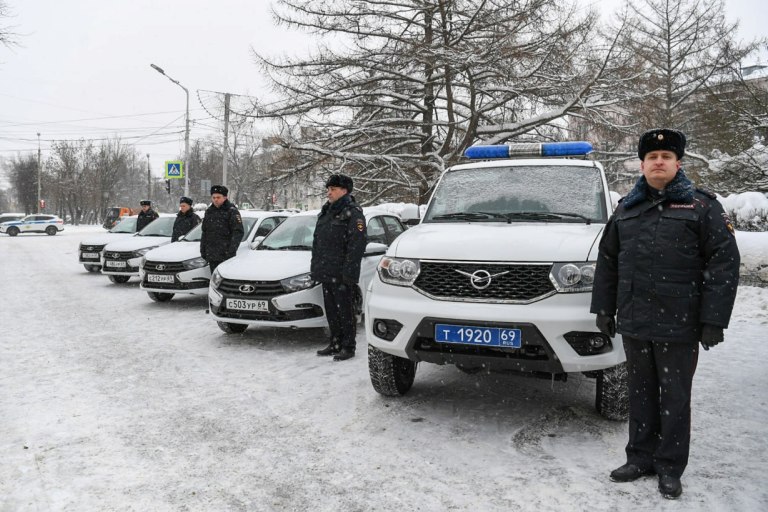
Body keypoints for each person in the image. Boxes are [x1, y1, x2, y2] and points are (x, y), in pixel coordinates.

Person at [591, 128, 740, 500]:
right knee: (639, 394)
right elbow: (608, 262)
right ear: (642, 164)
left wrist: (713, 319)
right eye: (653, 157)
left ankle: (670, 466)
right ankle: (639, 457)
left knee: (675, 396)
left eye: (666, 157)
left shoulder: (702, 206)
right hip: (636, 319)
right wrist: (603, 308)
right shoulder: (627, 208)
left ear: (678, 163)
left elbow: (724, 264)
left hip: (680, 322)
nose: (659, 162)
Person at [311, 173, 367, 361]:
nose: (329, 193)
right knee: (332, 311)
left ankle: (348, 346)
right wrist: (316, 268)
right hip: (327, 271)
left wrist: (349, 273)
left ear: (344, 191)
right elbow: (318, 242)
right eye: (328, 189)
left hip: (342, 274)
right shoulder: (327, 211)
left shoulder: (353, 212)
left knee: (345, 311)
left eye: (333, 189)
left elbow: (356, 245)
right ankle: (335, 342)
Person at [200, 185, 244, 273]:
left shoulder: (231, 211)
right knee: (214, 280)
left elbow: (238, 232)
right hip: (211, 255)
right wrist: (203, 249)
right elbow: (205, 232)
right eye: (214, 197)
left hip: (226, 254)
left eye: (218, 197)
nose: (215, 199)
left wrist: (231, 251)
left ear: (225, 197)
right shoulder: (209, 212)